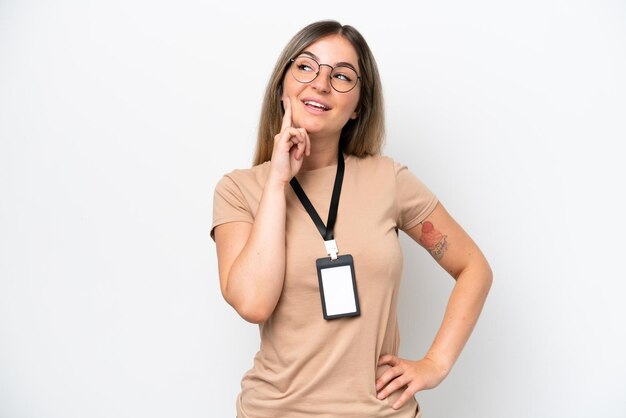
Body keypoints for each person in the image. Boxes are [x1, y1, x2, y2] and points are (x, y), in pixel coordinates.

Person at [211, 20, 492, 418]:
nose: (321, 83)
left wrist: (436, 363)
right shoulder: (239, 190)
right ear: (282, 86)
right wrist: (277, 182)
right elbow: (253, 303)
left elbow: (473, 267)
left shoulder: (388, 180)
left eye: (341, 76)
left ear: (359, 105)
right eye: (306, 67)